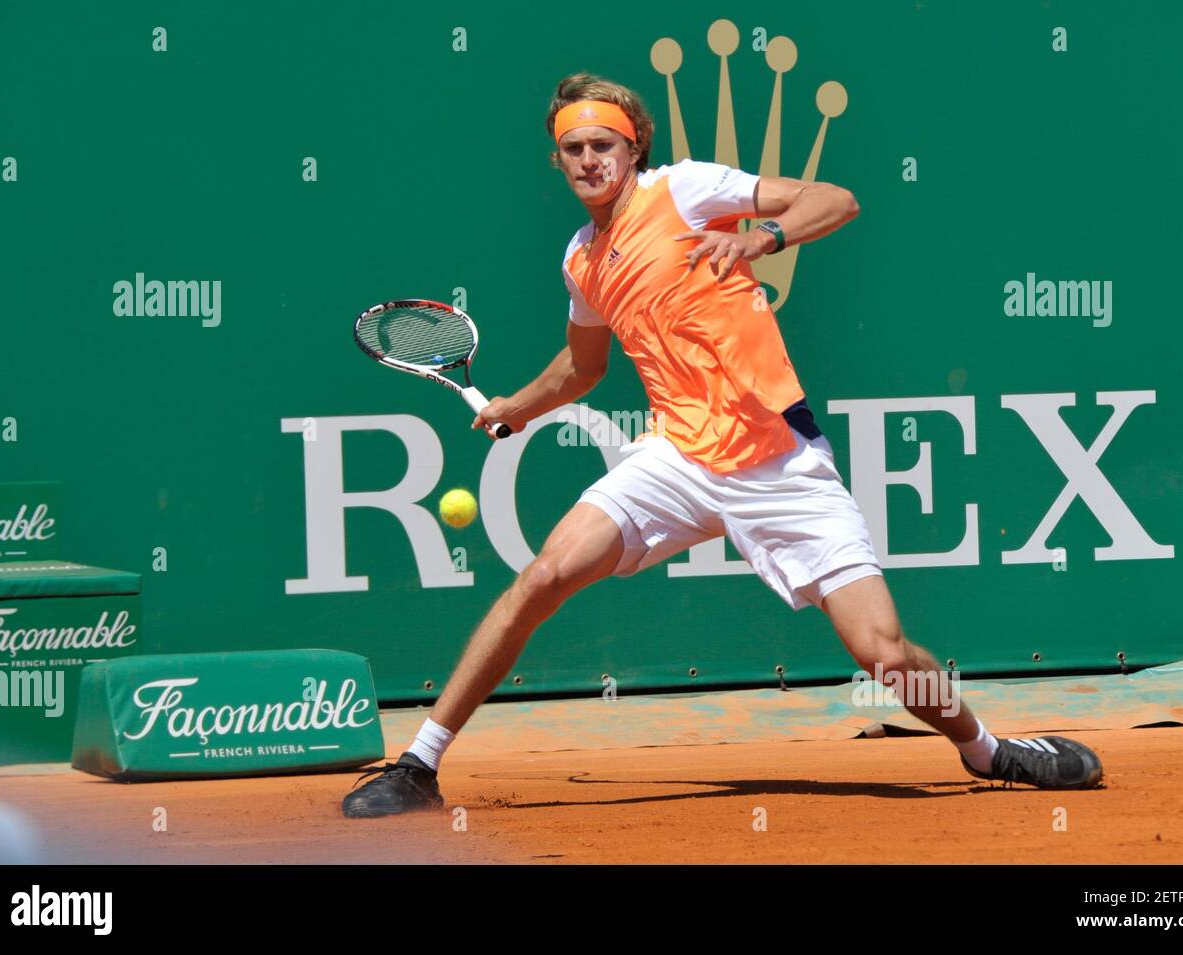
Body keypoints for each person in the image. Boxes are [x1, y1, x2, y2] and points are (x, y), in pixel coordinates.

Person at [341, 73, 1103, 818]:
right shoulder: (581, 259)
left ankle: (987, 748)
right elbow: (585, 364)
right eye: (571, 149)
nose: (587, 160)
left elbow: (834, 199)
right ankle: (420, 763)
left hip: (778, 457)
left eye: (603, 143)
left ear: (634, 145)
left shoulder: (685, 189)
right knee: (541, 577)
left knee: (884, 651)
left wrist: (761, 237)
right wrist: (517, 407)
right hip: (675, 455)